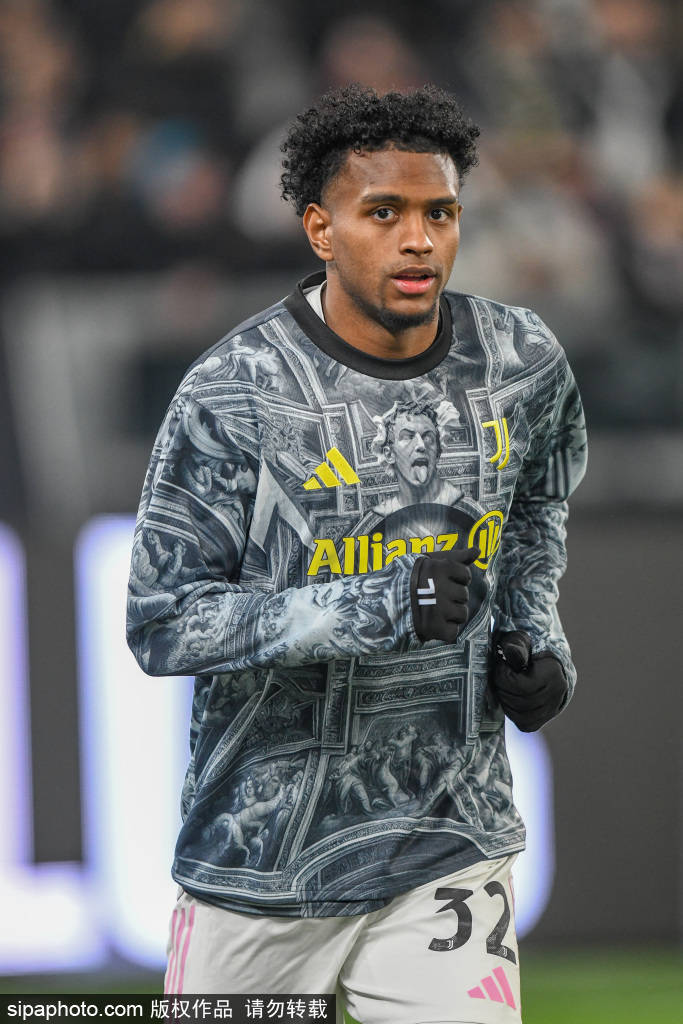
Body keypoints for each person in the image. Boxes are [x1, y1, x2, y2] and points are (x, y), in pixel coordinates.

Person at [127, 84, 587, 1024]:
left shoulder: (521, 360)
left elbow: (537, 510)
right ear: (320, 230)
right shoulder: (234, 391)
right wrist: (376, 606)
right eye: (383, 213)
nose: (418, 240)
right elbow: (163, 621)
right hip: (262, 862)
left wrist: (536, 637)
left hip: (449, 840)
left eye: (438, 213)